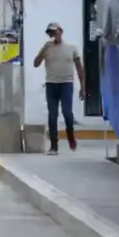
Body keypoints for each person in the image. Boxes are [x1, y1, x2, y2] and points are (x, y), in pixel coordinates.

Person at [33, 22, 85, 155]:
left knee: (67, 112)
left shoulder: (71, 48)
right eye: (50, 33)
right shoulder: (47, 48)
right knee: (52, 115)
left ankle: (70, 135)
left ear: (60, 31)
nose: (52, 35)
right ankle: (54, 145)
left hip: (66, 84)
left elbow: (79, 69)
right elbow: (36, 64)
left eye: (54, 32)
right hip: (51, 84)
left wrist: (83, 87)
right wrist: (42, 51)